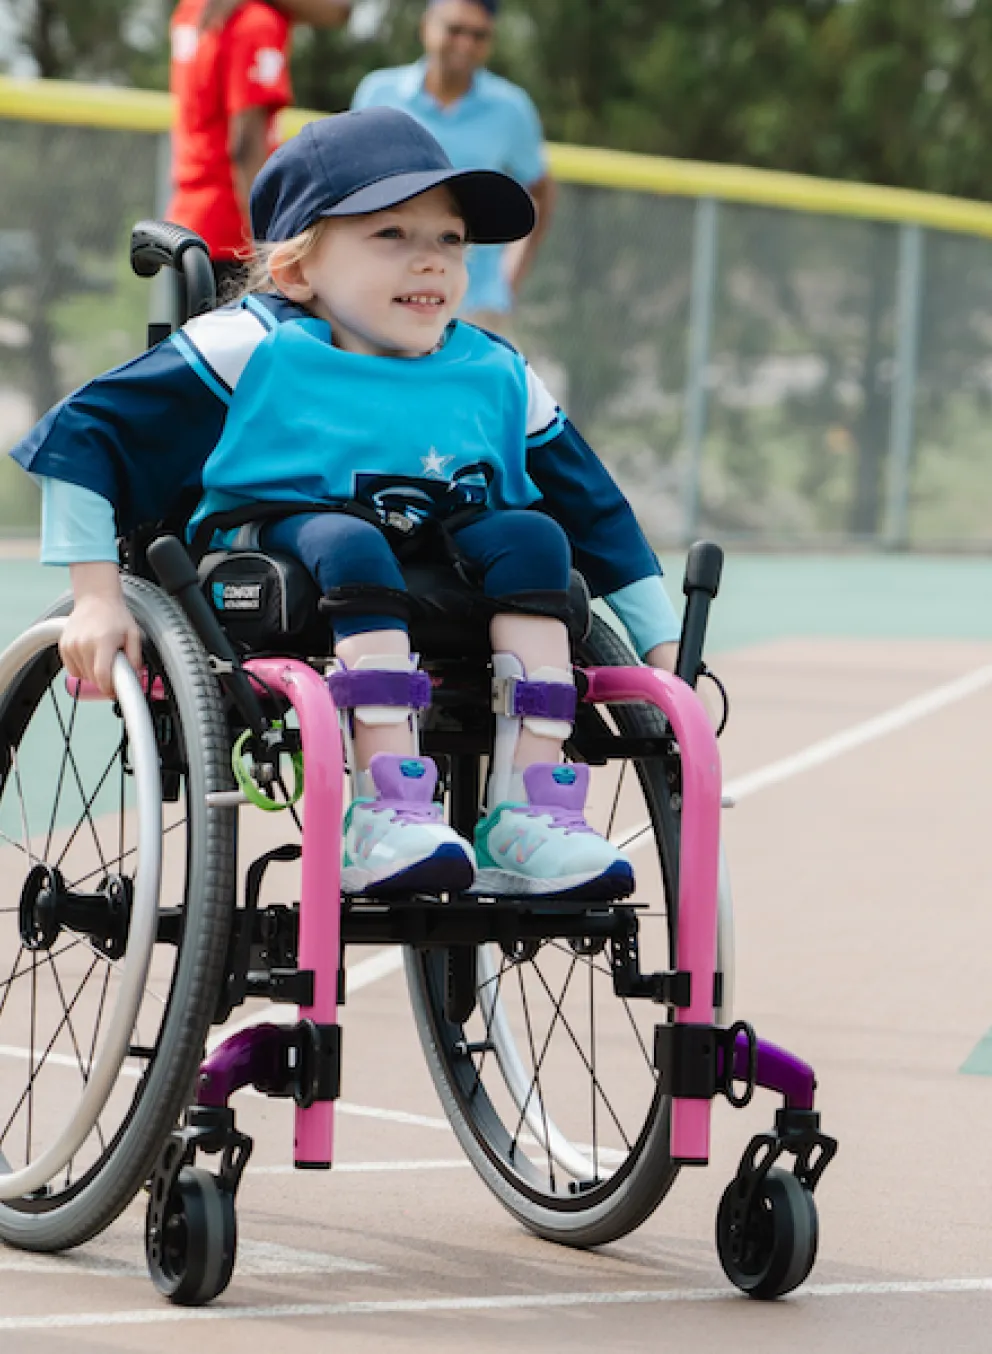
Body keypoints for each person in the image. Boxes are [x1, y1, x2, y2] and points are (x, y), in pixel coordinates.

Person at [10, 107, 680, 901]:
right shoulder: (254, 343)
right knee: (350, 540)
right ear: (298, 272)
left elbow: (595, 509)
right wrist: (95, 598)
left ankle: (527, 811)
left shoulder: (494, 370)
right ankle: (385, 809)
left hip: (437, 548)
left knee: (538, 540)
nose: (430, 262)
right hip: (282, 537)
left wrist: (664, 653)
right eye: (392, 236)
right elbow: (82, 432)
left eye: (450, 240)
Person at [352, 0, 555, 333]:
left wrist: (511, 275)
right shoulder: (378, 92)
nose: (466, 44)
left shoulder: (512, 109)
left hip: (473, 304)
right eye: (455, 30)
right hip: (384, 290)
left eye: (479, 35)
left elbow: (541, 190)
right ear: (426, 28)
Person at [168, 0, 351, 295]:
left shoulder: (191, 8)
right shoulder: (256, 22)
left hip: (190, 224)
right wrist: (265, 250)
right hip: (235, 233)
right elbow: (245, 144)